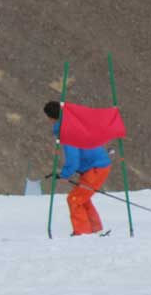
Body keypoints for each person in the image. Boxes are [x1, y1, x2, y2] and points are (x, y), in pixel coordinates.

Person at [44, 101, 114, 237]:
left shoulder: (66, 132)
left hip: (96, 168)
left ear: (51, 118)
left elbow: (73, 160)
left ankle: (82, 233)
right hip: (96, 166)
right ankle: (95, 229)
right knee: (83, 198)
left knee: (74, 199)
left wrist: (65, 175)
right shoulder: (72, 125)